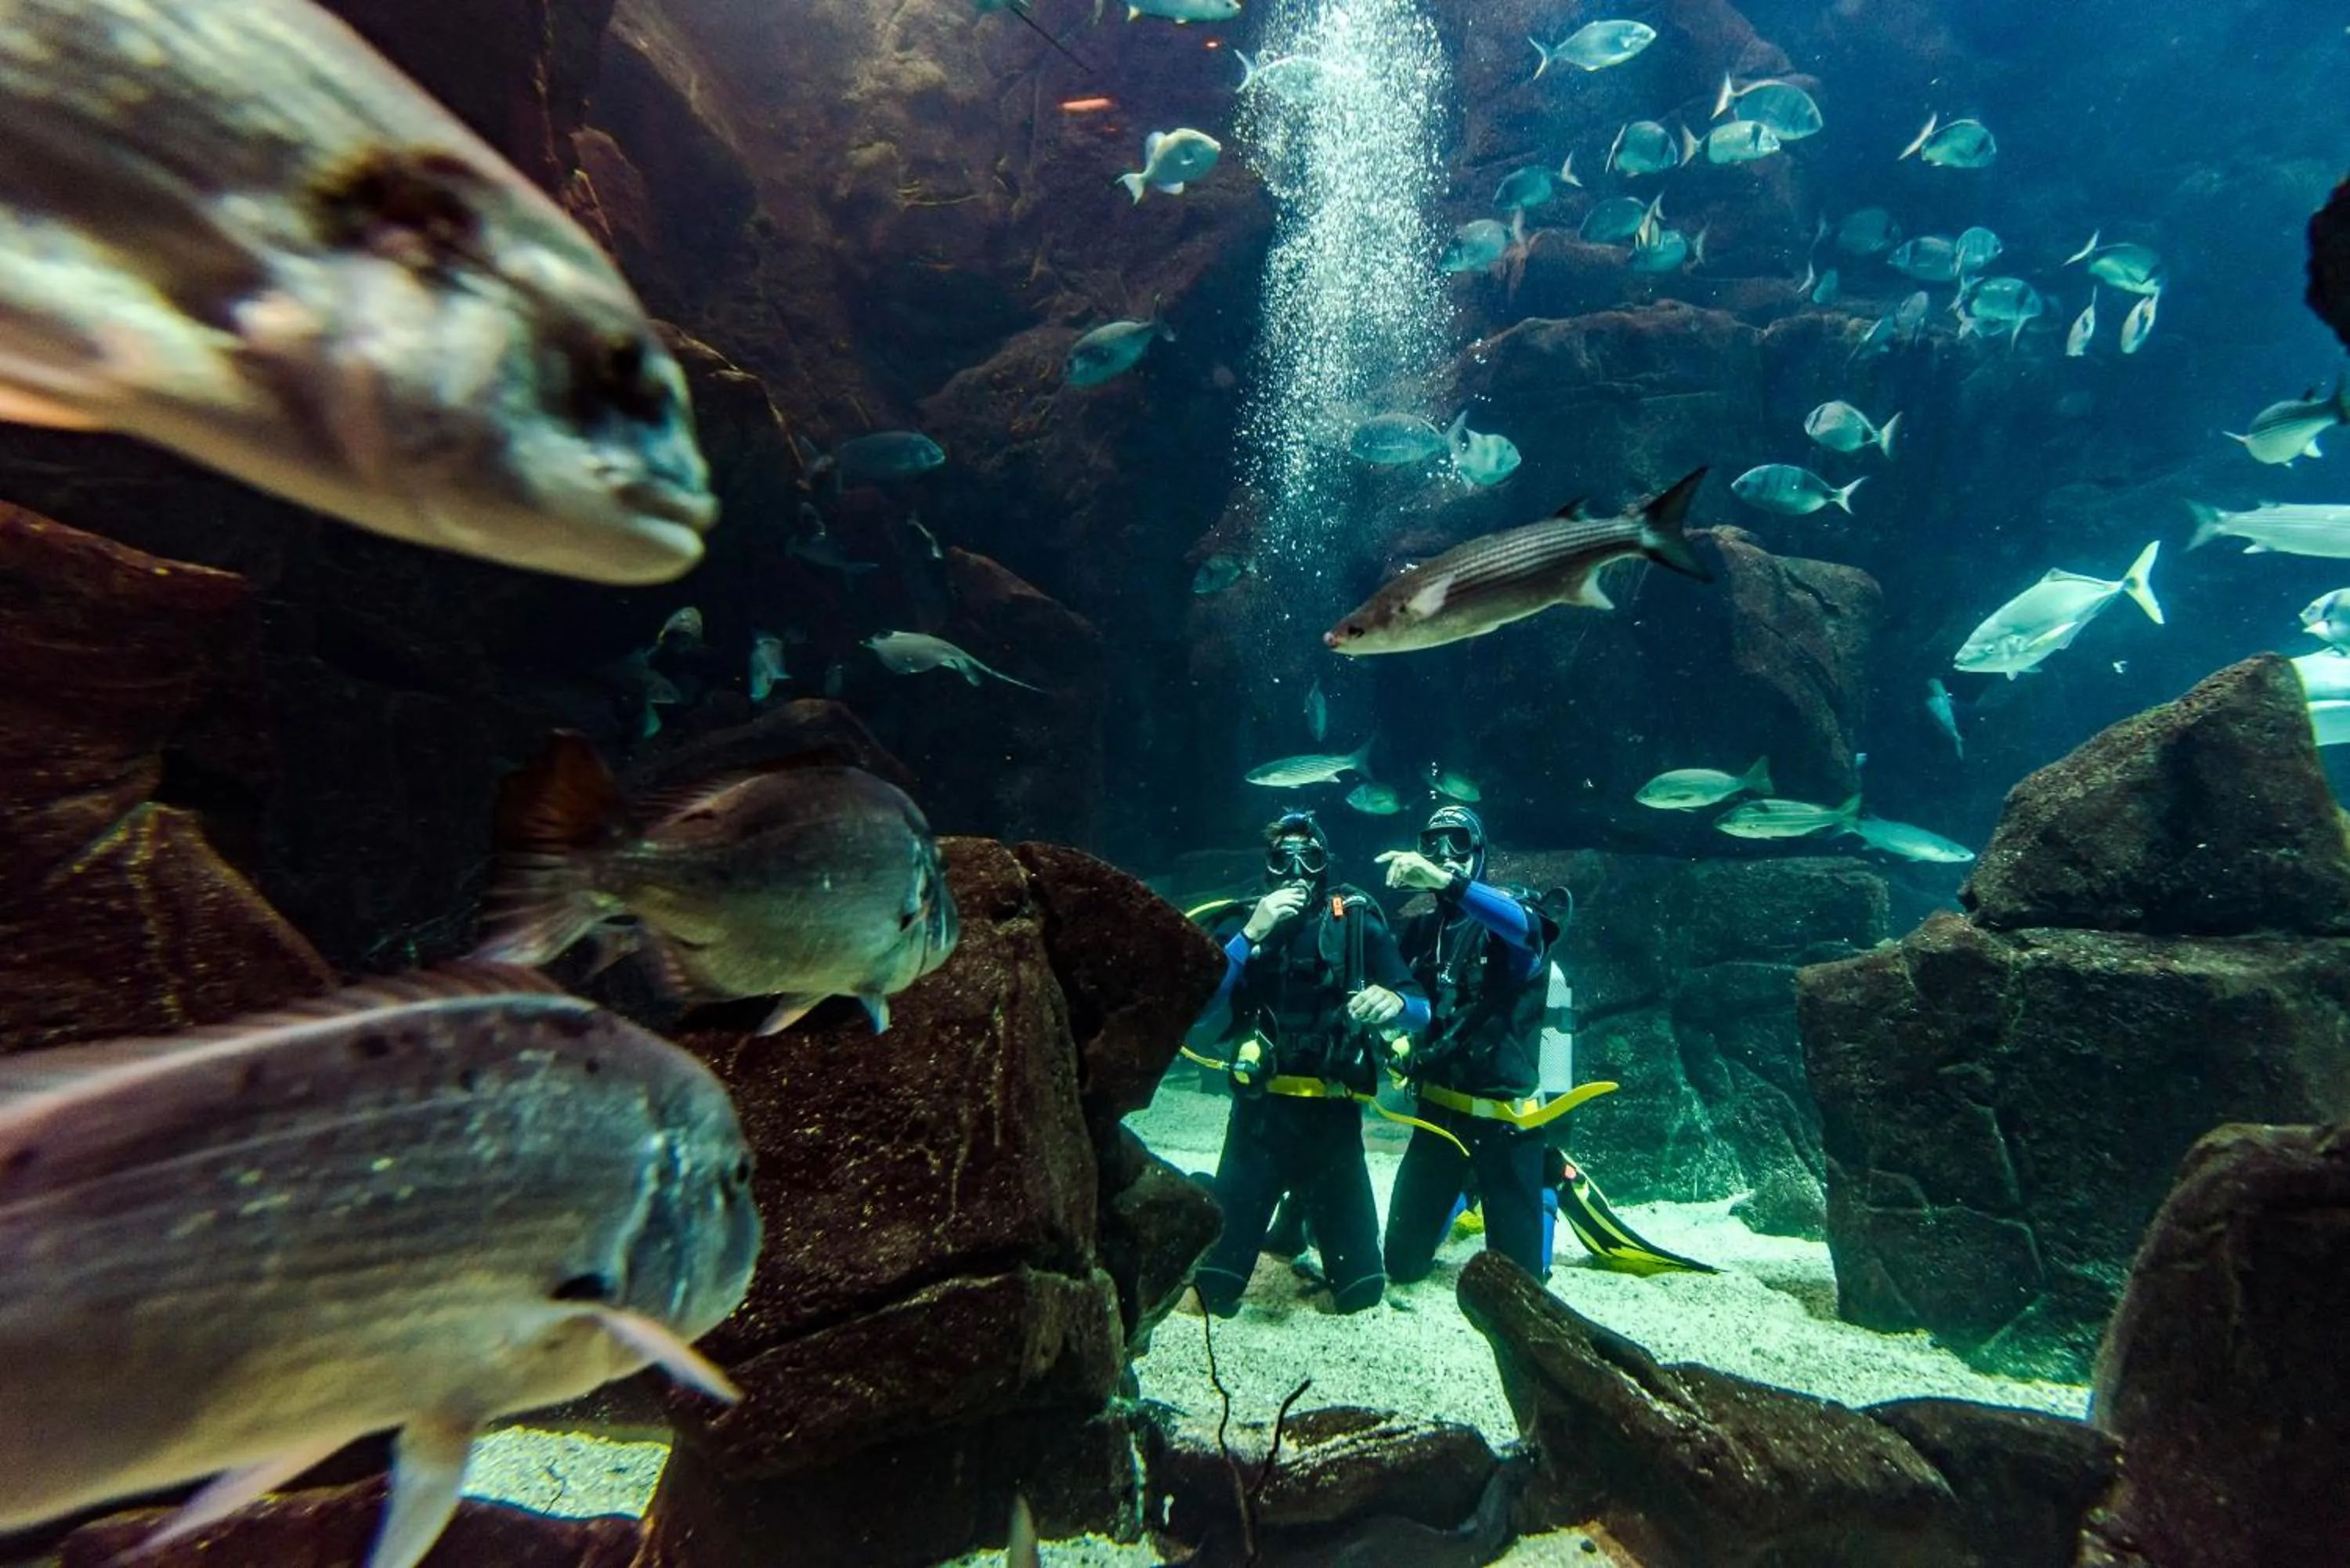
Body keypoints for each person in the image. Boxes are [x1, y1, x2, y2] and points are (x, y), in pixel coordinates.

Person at [1184, 812, 1429, 1317]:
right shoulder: (1245, 924)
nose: (1297, 870)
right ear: (1268, 868)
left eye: (1310, 858)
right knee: (1213, 1293)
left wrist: (1394, 1004)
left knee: (1363, 1292)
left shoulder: (1357, 922)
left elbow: (1420, 1007)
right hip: (1259, 1123)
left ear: (1325, 865)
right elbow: (1202, 1015)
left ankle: (1300, 1215)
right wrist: (1250, 935)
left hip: (1333, 1125)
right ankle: (1257, 1209)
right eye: (1282, 859)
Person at [1376, 804, 1561, 1284]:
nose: (1444, 853)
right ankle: (1463, 1194)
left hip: (1507, 1126)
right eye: (1433, 843)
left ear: (1481, 854)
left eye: (1460, 842)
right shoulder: (1419, 931)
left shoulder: (1509, 915)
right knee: (1400, 1263)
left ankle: (1545, 1192)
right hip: (1440, 1120)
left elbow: (1528, 930)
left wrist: (1448, 882)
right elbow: (1411, 1004)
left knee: (1522, 1286)